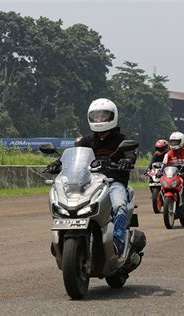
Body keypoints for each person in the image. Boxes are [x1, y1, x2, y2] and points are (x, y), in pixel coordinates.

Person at [46, 98, 137, 257]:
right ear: (90, 117)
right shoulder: (86, 141)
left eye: (104, 116)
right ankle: (62, 240)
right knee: (67, 206)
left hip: (113, 182)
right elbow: (73, 157)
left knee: (120, 208)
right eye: (97, 116)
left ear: (112, 116)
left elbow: (130, 154)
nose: (100, 120)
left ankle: (118, 244)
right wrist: (57, 164)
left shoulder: (122, 140)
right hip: (89, 183)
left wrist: (127, 161)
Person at [157, 131, 184, 212]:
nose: (173, 143)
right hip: (172, 177)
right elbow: (164, 164)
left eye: (176, 141)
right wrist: (160, 171)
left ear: (181, 141)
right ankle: (163, 203)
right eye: (172, 141)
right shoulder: (168, 154)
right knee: (161, 188)